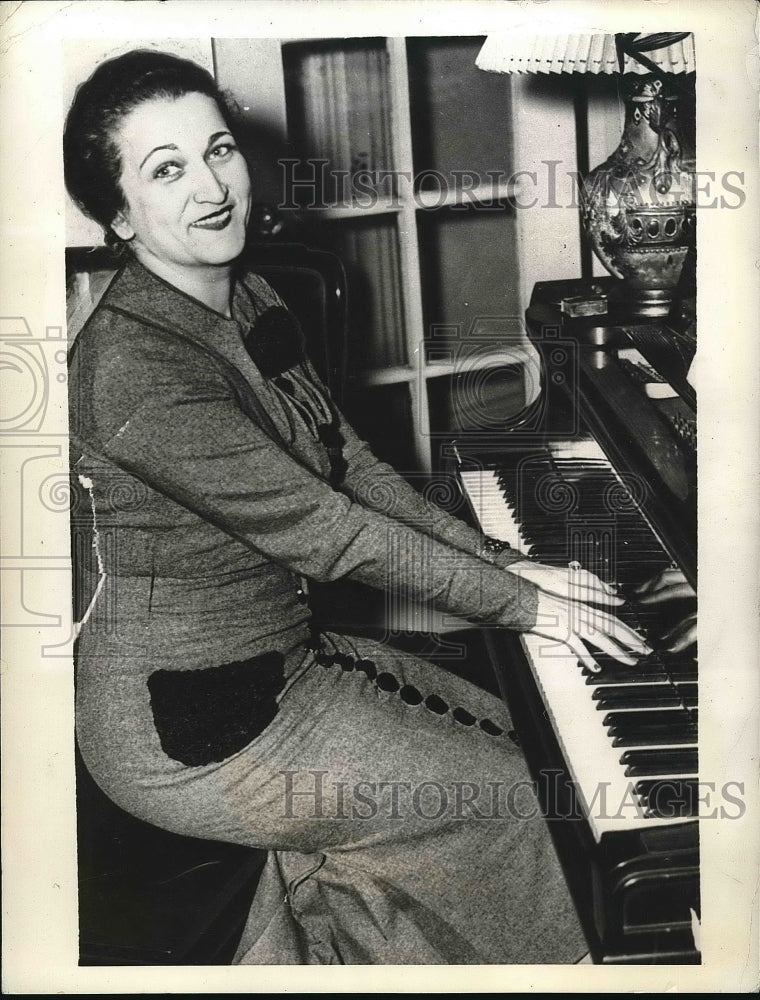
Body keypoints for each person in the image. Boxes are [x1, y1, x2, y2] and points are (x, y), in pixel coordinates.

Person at [64, 49, 650, 966]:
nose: (211, 187)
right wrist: (526, 604)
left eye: (217, 151)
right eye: (165, 169)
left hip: (278, 662)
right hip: (194, 726)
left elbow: (355, 469)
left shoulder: (244, 290)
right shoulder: (136, 371)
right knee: (504, 796)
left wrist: (501, 562)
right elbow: (330, 533)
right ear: (116, 215)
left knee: (527, 745)